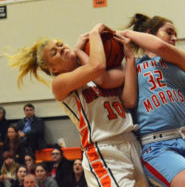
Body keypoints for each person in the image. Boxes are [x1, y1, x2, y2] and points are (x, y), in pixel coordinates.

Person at [7, 23, 148, 187]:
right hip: (103, 149)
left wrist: (128, 56)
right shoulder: (60, 84)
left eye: (60, 45)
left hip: (132, 140)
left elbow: (126, 92)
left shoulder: (98, 73)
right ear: (53, 69)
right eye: (55, 53)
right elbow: (97, 66)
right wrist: (95, 33)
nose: (62, 49)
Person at [121, 13, 185, 187]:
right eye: (169, 32)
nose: (174, 38)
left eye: (176, 35)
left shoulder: (179, 60)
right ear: (149, 32)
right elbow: (128, 100)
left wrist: (124, 33)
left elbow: (160, 46)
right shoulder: (132, 65)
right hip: (159, 145)